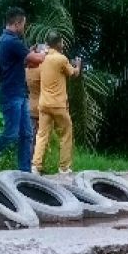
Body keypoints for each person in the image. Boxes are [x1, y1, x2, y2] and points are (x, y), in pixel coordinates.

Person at [0, 7, 45, 171]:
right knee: (11, 133)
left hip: (18, 92)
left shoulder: (4, 40)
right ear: (17, 23)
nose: (24, 27)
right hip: (11, 94)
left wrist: (31, 55)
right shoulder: (12, 41)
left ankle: (24, 172)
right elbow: (35, 59)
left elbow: (24, 61)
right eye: (23, 24)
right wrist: (46, 53)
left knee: (27, 134)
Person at [30, 31, 82, 174]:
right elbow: (73, 74)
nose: (63, 44)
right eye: (62, 42)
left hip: (44, 104)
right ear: (58, 43)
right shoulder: (61, 59)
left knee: (41, 135)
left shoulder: (42, 58)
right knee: (66, 133)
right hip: (58, 105)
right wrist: (78, 65)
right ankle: (64, 167)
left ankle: (35, 166)